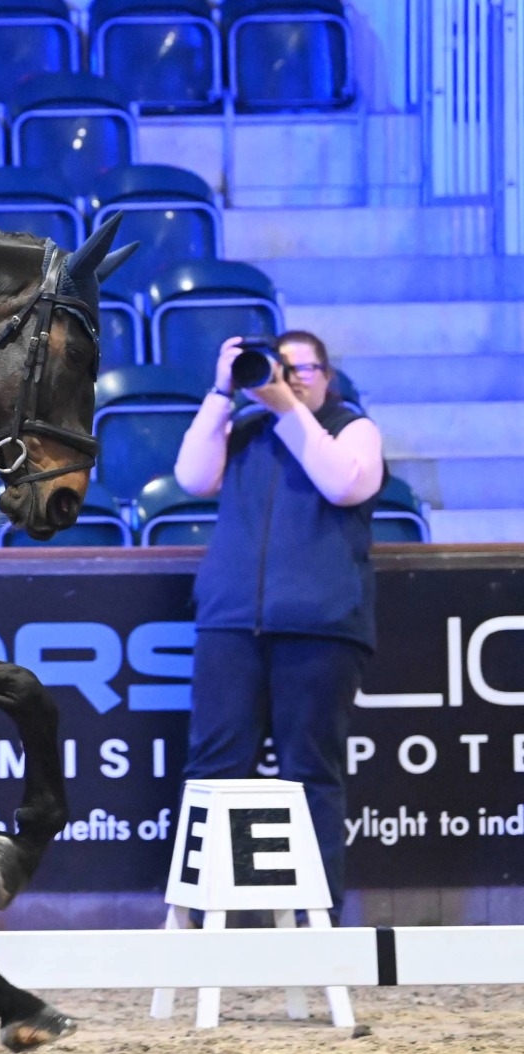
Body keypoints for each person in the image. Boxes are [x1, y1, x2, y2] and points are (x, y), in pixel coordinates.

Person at [173, 331, 385, 914]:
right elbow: (192, 478)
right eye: (278, 367)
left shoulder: (352, 427)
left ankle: (317, 918)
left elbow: (346, 484)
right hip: (232, 623)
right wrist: (222, 392)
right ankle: (213, 914)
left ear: (328, 375)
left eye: (304, 368)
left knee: (310, 773)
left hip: (319, 628)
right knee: (213, 772)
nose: (290, 378)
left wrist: (289, 410)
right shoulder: (245, 427)